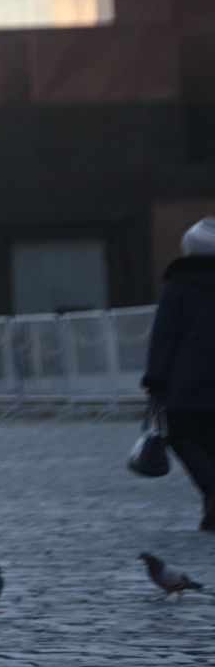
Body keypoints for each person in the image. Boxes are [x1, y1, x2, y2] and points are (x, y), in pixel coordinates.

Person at [142, 218, 215, 529]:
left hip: (188, 382)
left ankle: (213, 494)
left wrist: (155, 378)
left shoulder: (179, 285)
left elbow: (165, 335)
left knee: (183, 436)